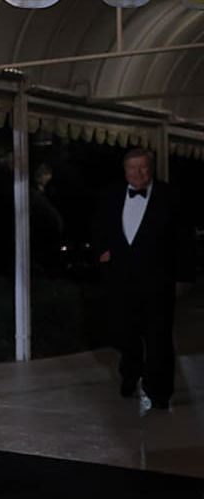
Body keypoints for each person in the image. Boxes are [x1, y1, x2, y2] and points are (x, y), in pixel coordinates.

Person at [92, 148, 195, 410]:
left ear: (151, 168)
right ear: (125, 170)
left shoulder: (171, 196)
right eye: (132, 168)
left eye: (143, 167)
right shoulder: (110, 194)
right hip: (121, 279)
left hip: (158, 280)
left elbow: (184, 239)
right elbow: (99, 227)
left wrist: (183, 277)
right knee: (124, 332)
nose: (137, 173)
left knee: (158, 337)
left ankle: (159, 391)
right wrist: (102, 251)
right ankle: (131, 372)